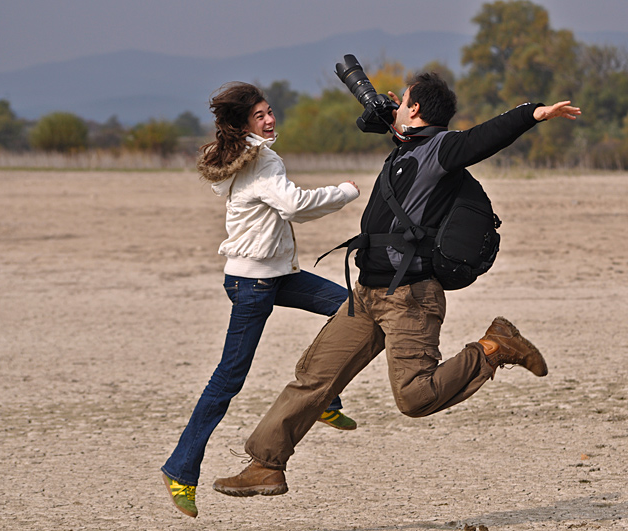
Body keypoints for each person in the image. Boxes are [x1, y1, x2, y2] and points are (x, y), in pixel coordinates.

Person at [211, 73, 581, 498]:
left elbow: (485, 137)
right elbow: (385, 125)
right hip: (366, 294)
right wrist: (392, 113)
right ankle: (266, 465)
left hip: (409, 297)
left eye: (404, 101)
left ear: (418, 109)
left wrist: (531, 114)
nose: (397, 107)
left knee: (415, 397)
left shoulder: (442, 149)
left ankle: (494, 347)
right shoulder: (409, 145)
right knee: (313, 377)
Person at [161, 81, 361, 518]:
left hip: (275, 275)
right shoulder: (262, 159)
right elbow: (293, 206)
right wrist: (345, 192)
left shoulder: (244, 156)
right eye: (259, 116)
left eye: (270, 111)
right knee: (227, 381)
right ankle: (180, 468)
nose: (270, 120)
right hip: (253, 284)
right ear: (243, 124)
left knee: (353, 309)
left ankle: (323, 398)